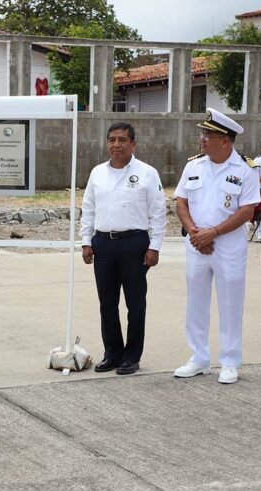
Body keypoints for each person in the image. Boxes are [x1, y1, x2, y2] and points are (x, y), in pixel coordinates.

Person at [173, 108, 260, 384]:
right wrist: (194, 232)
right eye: (203, 133)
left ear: (225, 140)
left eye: (208, 134)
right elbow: (181, 202)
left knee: (230, 303)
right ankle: (198, 358)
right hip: (198, 244)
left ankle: (230, 361)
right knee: (196, 303)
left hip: (228, 247)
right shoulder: (194, 166)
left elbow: (248, 210)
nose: (202, 139)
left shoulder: (245, 170)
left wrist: (214, 232)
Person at [81, 122, 166, 376]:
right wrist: (86, 241)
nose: (116, 145)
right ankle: (112, 353)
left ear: (133, 144)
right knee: (107, 303)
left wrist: (155, 247)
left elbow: (158, 212)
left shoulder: (147, 173)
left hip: (134, 244)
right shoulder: (97, 173)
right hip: (103, 244)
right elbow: (89, 209)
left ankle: (132, 356)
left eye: (122, 140)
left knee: (135, 303)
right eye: (111, 140)